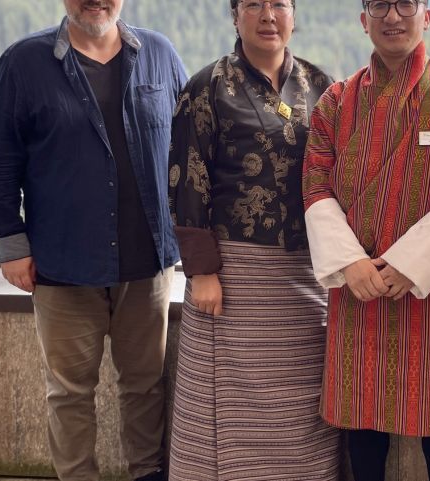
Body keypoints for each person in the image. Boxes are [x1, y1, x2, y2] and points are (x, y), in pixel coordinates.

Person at [0, 1, 187, 480]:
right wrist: (13, 243)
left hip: (148, 262)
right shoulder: (23, 64)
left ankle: (147, 474)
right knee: (69, 393)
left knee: (145, 386)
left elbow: (189, 148)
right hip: (62, 262)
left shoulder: (158, 53)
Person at [302, 1, 430, 480]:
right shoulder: (334, 102)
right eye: (379, 4)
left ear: (426, 16)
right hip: (356, 285)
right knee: (362, 421)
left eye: (406, 3)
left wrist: (411, 264)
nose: (393, 16)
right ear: (365, 19)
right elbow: (315, 187)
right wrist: (351, 264)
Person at [166, 1, 339, 480]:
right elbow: (186, 177)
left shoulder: (319, 86)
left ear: (294, 15)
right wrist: (202, 271)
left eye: (279, 4)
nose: (268, 15)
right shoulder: (207, 87)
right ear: (235, 15)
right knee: (226, 401)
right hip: (233, 273)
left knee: (301, 399)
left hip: (304, 273)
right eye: (253, 5)